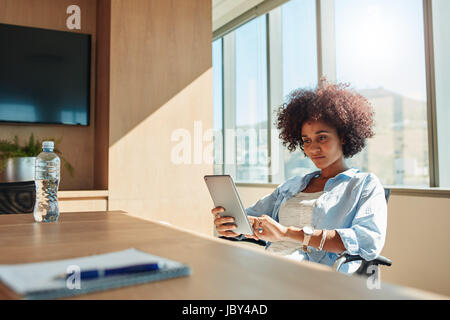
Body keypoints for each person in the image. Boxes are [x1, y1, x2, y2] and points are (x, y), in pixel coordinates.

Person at [211, 79, 387, 274]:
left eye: (322, 137)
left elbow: (368, 241)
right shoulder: (293, 186)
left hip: (313, 279)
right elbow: (249, 219)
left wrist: (287, 233)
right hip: (269, 268)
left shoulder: (364, 184)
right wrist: (232, 226)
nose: (313, 148)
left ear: (343, 136)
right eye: (306, 140)